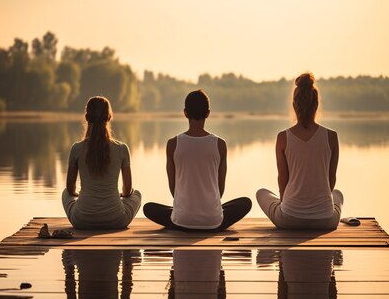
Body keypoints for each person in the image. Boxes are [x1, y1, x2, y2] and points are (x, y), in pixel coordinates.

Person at [143, 89, 252, 231]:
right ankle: (205, 216)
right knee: (245, 203)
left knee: (149, 208)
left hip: (181, 221)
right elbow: (220, 190)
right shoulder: (220, 144)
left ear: (185, 113)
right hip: (212, 221)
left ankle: (184, 216)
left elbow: (173, 188)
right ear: (208, 113)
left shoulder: (172, 144)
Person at [256, 72, 343, 230]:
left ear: (294, 105)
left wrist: (286, 205)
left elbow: (283, 179)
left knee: (261, 193)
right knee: (337, 195)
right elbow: (331, 179)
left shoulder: (283, 137)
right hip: (325, 221)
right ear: (316, 104)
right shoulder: (332, 137)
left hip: (289, 219)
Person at [62, 96, 141, 229]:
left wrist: (81, 195)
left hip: (82, 220)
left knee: (65, 193)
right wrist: (120, 195)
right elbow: (127, 191)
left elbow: (70, 189)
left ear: (86, 117)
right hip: (116, 220)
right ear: (109, 117)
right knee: (137, 194)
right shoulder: (121, 149)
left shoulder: (77, 148)